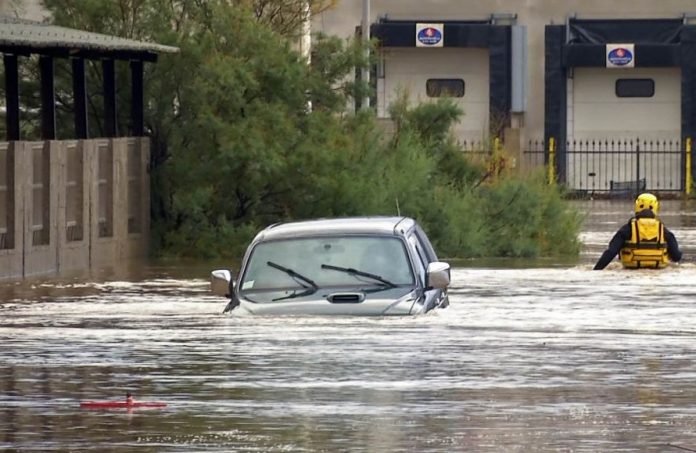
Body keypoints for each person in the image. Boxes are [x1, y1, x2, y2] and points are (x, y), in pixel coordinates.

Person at [594, 193, 682, 270]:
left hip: (631, 268)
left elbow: (611, 252)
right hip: (657, 269)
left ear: (637, 207)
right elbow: (677, 256)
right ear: (656, 208)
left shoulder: (627, 229)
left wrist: (596, 270)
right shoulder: (663, 230)